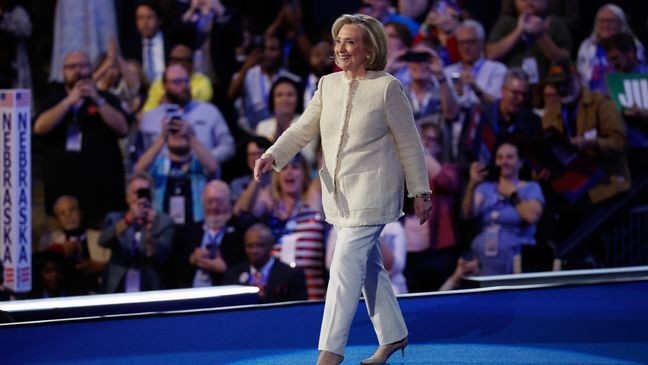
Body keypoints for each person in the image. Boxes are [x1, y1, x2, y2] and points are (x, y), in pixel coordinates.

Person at [254, 14, 432, 365]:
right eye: (339, 41)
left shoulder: (387, 87)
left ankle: (329, 354)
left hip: (375, 195)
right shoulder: (327, 85)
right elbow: (303, 128)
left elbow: (410, 144)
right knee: (367, 269)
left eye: (350, 41)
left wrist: (421, 192)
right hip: (339, 196)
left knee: (342, 266)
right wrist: (272, 155)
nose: (341, 47)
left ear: (369, 50)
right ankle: (395, 336)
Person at [34, 50, 129, 228]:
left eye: (83, 66)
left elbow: (123, 128)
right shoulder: (53, 99)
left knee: (101, 252)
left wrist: (98, 100)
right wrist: (67, 103)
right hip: (63, 198)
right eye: (72, 67)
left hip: (102, 197)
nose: (78, 71)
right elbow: (40, 127)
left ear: (92, 69)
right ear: (63, 71)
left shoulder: (106, 98)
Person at [238, 153, 325, 300]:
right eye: (284, 168)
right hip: (277, 300)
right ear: (276, 175)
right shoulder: (270, 207)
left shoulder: (313, 204)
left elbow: (324, 168)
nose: (289, 172)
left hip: (312, 298)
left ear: (304, 173)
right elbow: (243, 211)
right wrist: (261, 171)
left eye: (295, 167)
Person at [461, 142, 544, 275]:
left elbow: (532, 216)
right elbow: (467, 213)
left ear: (520, 162)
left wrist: (513, 194)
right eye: (500, 158)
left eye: (509, 157)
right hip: (484, 262)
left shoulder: (531, 187)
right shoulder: (485, 188)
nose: (504, 161)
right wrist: (472, 184)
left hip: (518, 262)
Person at [138, 64, 235, 164]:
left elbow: (228, 147)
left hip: (204, 174)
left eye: (186, 81)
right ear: (164, 85)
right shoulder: (150, 118)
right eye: (177, 82)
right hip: (160, 175)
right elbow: (139, 155)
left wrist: (204, 158)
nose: (184, 86)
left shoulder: (209, 111)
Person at [98, 172, 175, 293]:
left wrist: (149, 230)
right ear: (127, 197)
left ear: (152, 196)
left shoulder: (164, 222)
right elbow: (103, 241)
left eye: (145, 192)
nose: (141, 198)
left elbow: (160, 258)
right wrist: (129, 220)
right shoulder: (114, 218)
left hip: (149, 286)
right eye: (136, 193)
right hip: (117, 286)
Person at [167, 180, 246, 289]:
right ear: (203, 204)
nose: (214, 207)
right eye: (209, 202)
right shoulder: (191, 231)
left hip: (224, 291)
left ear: (230, 202)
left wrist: (225, 269)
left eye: (219, 201)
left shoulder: (241, 231)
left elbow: (249, 267)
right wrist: (192, 259)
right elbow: (172, 267)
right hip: (192, 292)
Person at [486, 0, 571, 85]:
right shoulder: (506, 23)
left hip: (547, 85)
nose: (529, 1)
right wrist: (519, 30)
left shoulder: (555, 24)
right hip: (511, 86)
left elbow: (563, 58)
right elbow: (491, 54)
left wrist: (540, 34)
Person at [39, 195, 110, 294]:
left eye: (72, 210)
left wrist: (98, 266)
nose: (68, 215)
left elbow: (118, 268)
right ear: (57, 220)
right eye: (62, 213)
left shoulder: (101, 237)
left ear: (80, 213)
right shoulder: (50, 241)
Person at [223, 223, 308, 303]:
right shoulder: (233, 275)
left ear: (271, 245)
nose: (254, 251)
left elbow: (298, 311)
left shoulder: (291, 275)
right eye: (249, 246)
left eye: (260, 245)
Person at [576, 4, 645, 94]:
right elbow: (581, 76)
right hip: (592, 98)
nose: (605, 25)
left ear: (621, 23)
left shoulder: (634, 45)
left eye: (610, 21)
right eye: (601, 21)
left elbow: (637, 74)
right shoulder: (587, 45)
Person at [444, 19, 508, 108]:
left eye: (471, 42)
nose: (466, 47)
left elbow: (498, 105)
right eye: (462, 43)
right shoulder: (448, 72)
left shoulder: (497, 69)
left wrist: (475, 88)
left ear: (481, 43)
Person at [141, 43, 214, 112]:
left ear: (192, 63)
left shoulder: (202, 81)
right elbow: (148, 110)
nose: (180, 64)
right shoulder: (158, 83)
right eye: (175, 60)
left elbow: (196, 103)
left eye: (184, 60)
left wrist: (168, 101)